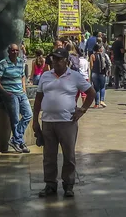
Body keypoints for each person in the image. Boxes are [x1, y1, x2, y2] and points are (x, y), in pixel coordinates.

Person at [33, 47, 95, 198]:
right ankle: (50, 184)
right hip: (48, 122)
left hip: (67, 122)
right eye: (54, 59)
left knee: (69, 156)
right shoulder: (45, 76)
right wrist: (35, 121)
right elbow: (38, 99)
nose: (56, 62)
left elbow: (91, 92)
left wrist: (82, 109)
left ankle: (68, 185)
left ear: (66, 61)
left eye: (59, 59)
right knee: (49, 156)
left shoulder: (75, 76)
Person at [0, 43, 32, 153]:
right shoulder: (3, 64)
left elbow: (22, 76)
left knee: (28, 114)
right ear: (8, 52)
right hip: (10, 94)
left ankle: (16, 139)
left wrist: (24, 88)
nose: (15, 52)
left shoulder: (21, 62)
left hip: (21, 93)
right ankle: (19, 141)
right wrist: (4, 92)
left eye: (16, 50)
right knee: (14, 118)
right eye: (12, 50)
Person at [90, 44, 110, 108]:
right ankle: (102, 100)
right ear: (99, 49)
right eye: (101, 47)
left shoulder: (92, 55)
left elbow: (91, 66)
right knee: (102, 87)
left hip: (94, 73)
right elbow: (109, 63)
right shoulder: (104, 55)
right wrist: (108, 71)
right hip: (103, 73)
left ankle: (96, 104)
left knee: (96, 88)